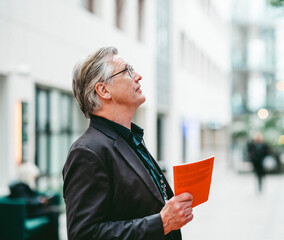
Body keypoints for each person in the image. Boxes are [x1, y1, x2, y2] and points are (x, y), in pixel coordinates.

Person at [63, 47, 194, 240]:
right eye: (127, 71)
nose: (138, 76)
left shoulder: (131, 139)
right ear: (103, 90)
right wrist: (162, 223)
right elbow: (85, 235)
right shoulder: (87, 151)